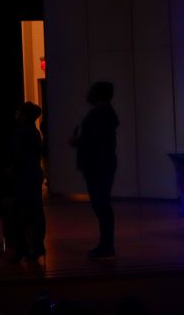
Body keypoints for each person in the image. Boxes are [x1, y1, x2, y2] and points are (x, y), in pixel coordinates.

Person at [71, 81, 119, 260]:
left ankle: (106, 245)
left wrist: (78, 141)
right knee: (102, 205)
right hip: (102, 164)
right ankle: (106, 244)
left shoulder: (99, 114)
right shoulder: (107, 113)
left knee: (101, 205)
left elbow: (94, 140)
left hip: (98, 166)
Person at [4, 101, 46, 266]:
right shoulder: (35, 133)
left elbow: (16, 156)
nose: (16, 115)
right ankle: (37, 249)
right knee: (36, 214)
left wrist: (11, 171)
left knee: (20, 215)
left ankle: (22, 250)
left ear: (23, 115)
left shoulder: (21, 134)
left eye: (18, 112)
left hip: (23, 177)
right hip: (33, 176)